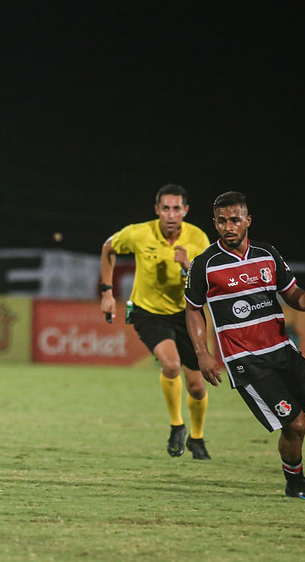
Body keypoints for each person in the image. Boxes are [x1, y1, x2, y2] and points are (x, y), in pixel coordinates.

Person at [185, 191, 305, 499]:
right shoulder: (204, 264)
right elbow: (193, 308)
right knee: (296, 424)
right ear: (215, 224)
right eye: (221, 221)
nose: (228, 227)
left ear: (247, 220)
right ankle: (294, 482)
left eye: (235, 219)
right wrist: (203, 353)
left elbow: (291, 293)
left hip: (282, 349)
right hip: (245, 360)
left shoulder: (267, 254)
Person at [100, 183, 212, 459]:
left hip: (186, 314)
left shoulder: (198, 238)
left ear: (185, 210)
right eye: (166, 208)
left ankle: (197, 438)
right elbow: (108, 248)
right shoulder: (138, 233)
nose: (171, 214)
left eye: (177, 209)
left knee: (197, 387)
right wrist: (107, 292)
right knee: (171, 364)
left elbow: (209, 282)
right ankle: (177, 425)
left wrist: (189, 266)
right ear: (157, 210)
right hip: (148, 312)